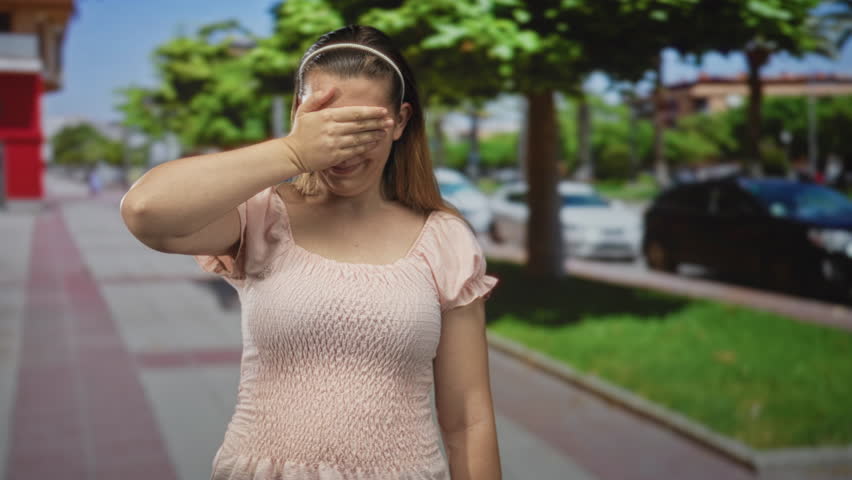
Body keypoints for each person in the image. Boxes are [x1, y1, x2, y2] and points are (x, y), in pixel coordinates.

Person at [120, 25, 501, 480]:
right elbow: (145, 212)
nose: (343, 147)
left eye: (363, 126)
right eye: (328, 124)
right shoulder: (263, 215)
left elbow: (468, 420)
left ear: (400, 121)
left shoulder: (444, 239)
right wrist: (294, 151)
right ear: (300, 113)